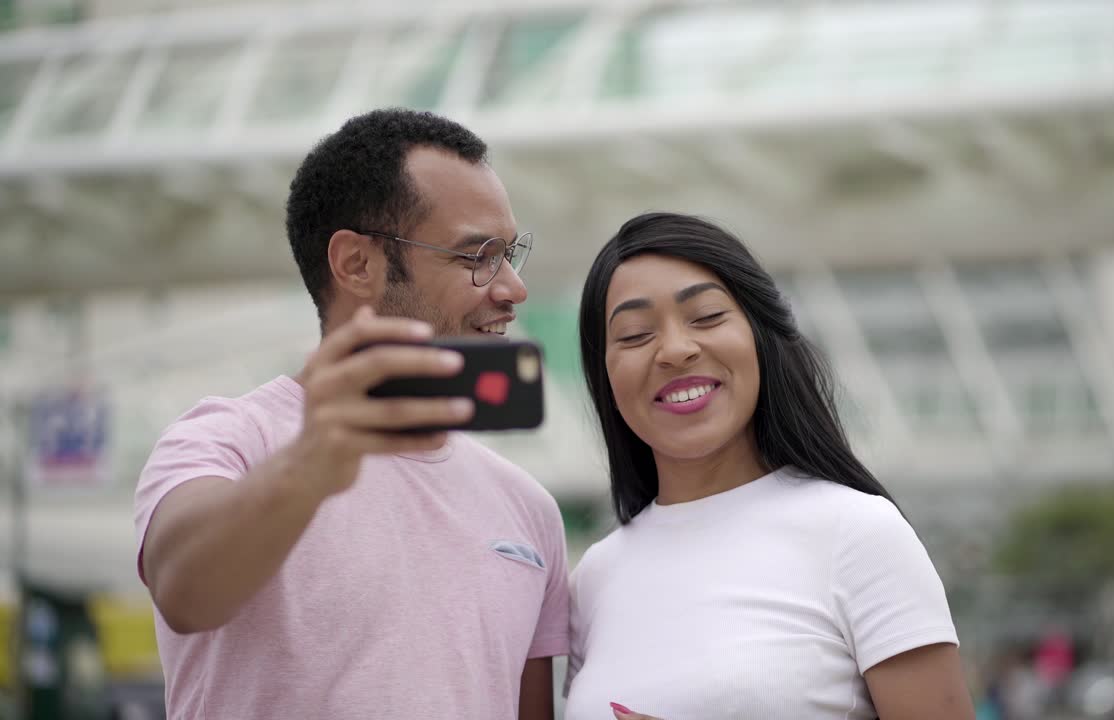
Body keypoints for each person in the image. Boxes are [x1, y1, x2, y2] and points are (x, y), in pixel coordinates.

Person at [133, 109, 569, 720]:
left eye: (510, 254)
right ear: (356, 264)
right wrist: (309, 467)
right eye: (478, 256)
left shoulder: (528, 508)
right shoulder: (226, 441)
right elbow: (183, 590)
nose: (512, 289)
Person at [564, 212, 975, 720]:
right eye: (634, 335)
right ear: (604, 374)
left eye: (707, 317)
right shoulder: (594, 578)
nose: (675, 350)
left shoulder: (860, 533)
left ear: (761, 336)